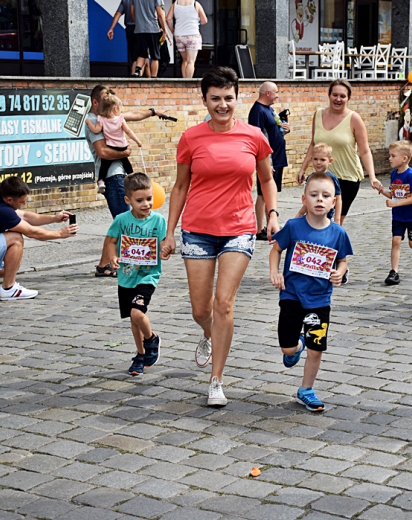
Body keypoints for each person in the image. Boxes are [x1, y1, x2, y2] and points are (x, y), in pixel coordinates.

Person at [161, 67, 279, 407]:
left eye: (229, 98)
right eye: (215, 98)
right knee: (201, 310)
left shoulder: (254, 136)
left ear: (237, 98)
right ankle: (209, 333)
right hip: (197, 229)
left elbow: (267, 181)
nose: (223, 104)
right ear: (205, 100)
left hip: (239, 229)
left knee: (222, 304)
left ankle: (216, 380)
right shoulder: (191, 138)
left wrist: (271, 214)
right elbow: (180, 186)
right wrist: (169, 232)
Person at [269, 172, 352, 412]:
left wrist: (339, 272)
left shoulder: (338, 233)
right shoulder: (294, 226)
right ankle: (298, 345)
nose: (319, 200)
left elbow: (343, 261)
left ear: (333, 202)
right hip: (291, 296)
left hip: (319, 300)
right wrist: (276, 272)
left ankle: (306, 390)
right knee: (287, 348)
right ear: (304, 198)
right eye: (314, 195)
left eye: (326, 196)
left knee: (317, 349)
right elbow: (276, 250)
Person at [84, 85, 169, 278]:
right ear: (96, 102)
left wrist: (154, 112)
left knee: (121, 221)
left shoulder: (110, 116)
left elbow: (132, 114)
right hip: (110, 177)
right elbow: (102, 152)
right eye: (105, 100)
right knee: (123, 222)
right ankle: (119, 264)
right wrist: (125, 152)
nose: (110, 104)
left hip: (119, 175)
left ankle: (104, 265)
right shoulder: (95, 120)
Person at [105, 173, 167, 375]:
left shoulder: (158, 220)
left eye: (149, 199)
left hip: (147, 276)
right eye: (139, 200)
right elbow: (111, 241)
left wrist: (165, 249)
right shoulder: (121, 219)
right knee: (133, 319)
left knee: (137, 312)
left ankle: (151, 339)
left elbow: (164, 243)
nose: (146, 204)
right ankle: (140, 355)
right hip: (126, 276)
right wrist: (112, 257)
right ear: (128, 200)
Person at [297, 79, 383, 225]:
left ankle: (333, 247)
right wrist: (303, 168)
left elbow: (365, 150)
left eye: (342, 96)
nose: (338, 99)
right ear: (329, 95)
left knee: (334, 223)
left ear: (348, 98)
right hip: (322, 176)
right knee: (312, 216)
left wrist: (373, 177)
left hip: (346, 179)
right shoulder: (318, 114)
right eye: (335, 95)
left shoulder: (354, 119)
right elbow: (313, 144)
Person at [377, 140, 412, 286]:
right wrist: (382, 191)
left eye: (393, 156)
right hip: (398, 216)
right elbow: (394, 194)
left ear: (404, 158)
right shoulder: (394, 174)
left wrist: (395, 203)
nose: (389, 158)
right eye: (390, 155)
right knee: (395, 241)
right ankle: (394, 272)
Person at [248, 81, 291, 240]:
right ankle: (259, 230)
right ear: (267, 93)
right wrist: (266, 163)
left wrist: (285, 129)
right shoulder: (257, 111)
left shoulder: (269, 109)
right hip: (269, 160)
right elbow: (258, 138)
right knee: (262, 193)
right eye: (276, 92)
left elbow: (273, 131)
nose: (278, 95)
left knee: (270, 193)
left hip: (277, 158)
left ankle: (269, 226)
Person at [85, 93, 142, 193]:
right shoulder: (120, 119)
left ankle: (101, 182)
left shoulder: (101, 119)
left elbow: (95, 130)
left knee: (104, 165)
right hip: (122, 146)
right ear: (115, 109)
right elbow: (128, 131)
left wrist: (88, 122)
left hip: (111, 146)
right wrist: (137, 141)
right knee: (125, 162)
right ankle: (131, 176)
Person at [296, 142, 342, 223]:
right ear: (311, 159)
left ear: (330, 161)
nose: (318, 162)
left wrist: (337, 219)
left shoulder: (331, 178)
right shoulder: (310, 178)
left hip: (326, 219)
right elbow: (308, 200)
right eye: (315, 159)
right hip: (311, 218)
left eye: (322, 160)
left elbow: (338, 199)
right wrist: (300, 214)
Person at [166, 0, 207, 79]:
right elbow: (204, 20)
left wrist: (173, 32)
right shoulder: (195, 4)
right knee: (190, 62)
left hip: (179, 36)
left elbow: (168, 19)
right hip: (192, 35)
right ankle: (187, 84)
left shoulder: (175, 3)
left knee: (184, 60)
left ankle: (183, 82)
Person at [131, 0, 170, 78]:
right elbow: (160, 13)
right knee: (155, 55)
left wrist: (138, 23)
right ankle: (153, 77)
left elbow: (132, 12)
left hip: (139, 29)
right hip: (153, 29)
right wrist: (164, 29)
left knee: (141, 53)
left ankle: (137, 70)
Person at [107, 0, 138, 77]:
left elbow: (118, 13)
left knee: (132, 54)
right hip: (140, 28)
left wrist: (111, 29)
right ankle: (139, 78)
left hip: (129, 29)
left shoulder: (125, 0)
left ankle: (133, 76)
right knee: (141, 55)